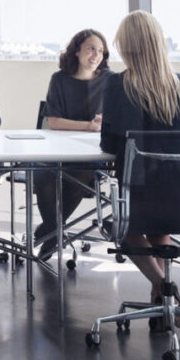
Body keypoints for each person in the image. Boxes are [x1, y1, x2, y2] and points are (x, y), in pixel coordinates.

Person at [99, 11, 180, 311]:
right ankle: (163, 306)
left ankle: (162, 287)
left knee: (128, 230)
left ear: (128, 47)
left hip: (139, 187)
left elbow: (109, 143)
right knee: (159, 228)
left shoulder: (118, 84)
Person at [33, 28, 112, 259]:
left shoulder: (110, 80)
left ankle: (49, 232)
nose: (96, 55)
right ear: (76, 51)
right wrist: (88, 125)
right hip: (57, 149)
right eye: (90, 48)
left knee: (80, 175)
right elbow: (54, 122)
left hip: (92, 153)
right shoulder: (59, 80)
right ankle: (54, 232)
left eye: (101, 51)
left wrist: (106, 120)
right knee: (41, 175)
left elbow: (118, 116)